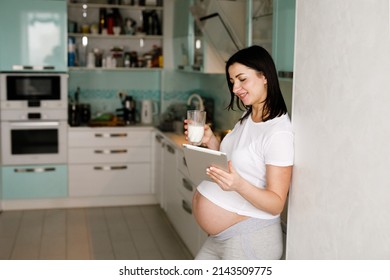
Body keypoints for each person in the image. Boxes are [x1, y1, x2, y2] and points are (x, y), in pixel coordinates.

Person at [184, 45, 294, 260]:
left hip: (249, 239)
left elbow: (276, 203)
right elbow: (238, 165)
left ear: (264, 76)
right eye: (233, 81)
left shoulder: (278, 133)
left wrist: (238, 185)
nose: (235, 89)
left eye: (242, 79)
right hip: (222, 238)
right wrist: (212, 142)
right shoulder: (248, 116)